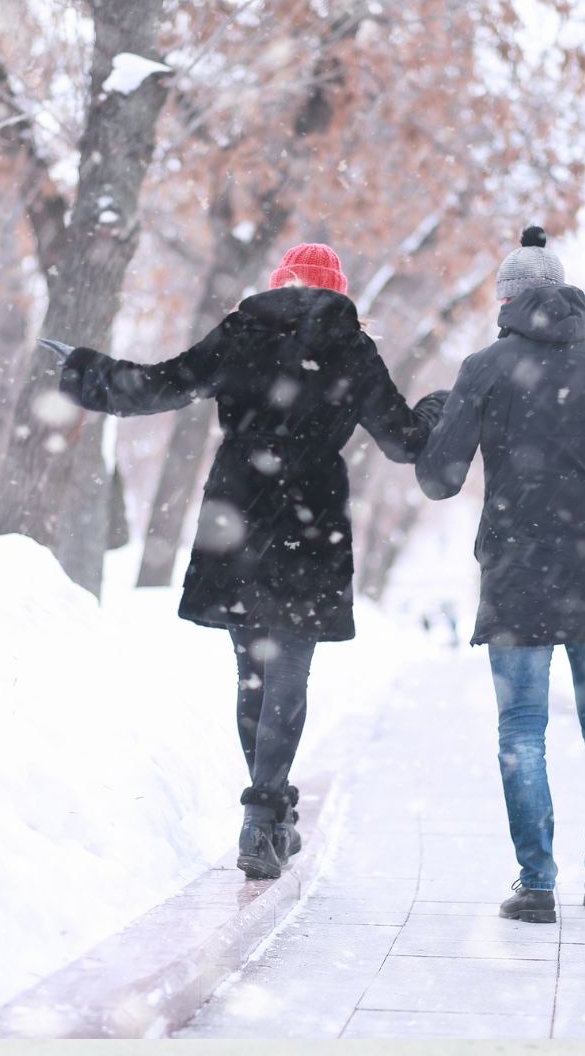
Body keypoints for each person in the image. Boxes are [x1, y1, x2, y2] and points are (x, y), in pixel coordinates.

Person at [41, 243, 446, 879]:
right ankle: (266, 814)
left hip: (241, 512)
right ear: (338, 291)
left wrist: (89, 372)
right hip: (311, 518)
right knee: (288, 672)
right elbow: (402, 442)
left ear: (280, 282)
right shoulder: (350, 346)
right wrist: (436, 410)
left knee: (252, 670)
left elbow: (161, 385)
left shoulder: (243, 329)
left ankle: (269, 817)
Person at [415, 226, 585, 924]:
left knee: (522, 732)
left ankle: (536, 884)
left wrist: (439, 420)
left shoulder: (484, 369)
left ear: (504, 301)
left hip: (516, 580)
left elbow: (441, 480)